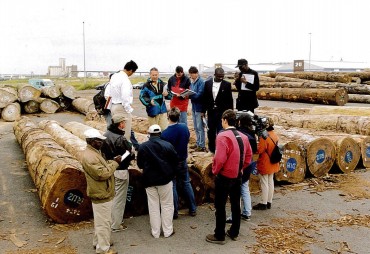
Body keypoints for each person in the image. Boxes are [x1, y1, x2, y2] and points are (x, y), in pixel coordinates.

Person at [206, 109, 252, 245]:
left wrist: (215, 170)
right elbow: (248, 156)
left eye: (221, 120)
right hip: (238, 175)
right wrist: (241, 167)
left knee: (220, 206)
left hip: (224, 176)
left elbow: (219, 158)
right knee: (235, 205)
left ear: (225, 120)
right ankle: (234, 232)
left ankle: (219, 234)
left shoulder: (222, 136)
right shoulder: (243, 136)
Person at [80, 129, 120, 254]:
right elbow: (102, 173)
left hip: (101, 191)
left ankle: (98, 242)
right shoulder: (90, 156)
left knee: (100, 220)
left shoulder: (94, 152)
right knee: (104, 223)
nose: (102, 142)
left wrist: (110, 162)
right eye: (99, 141)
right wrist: (115, 163)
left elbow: (102, 166)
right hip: (101, 193)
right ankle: (103, 249)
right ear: (91, 142)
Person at [137, 124, 178, 238]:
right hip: (165, 180)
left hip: (149, 181)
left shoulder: (143, 147)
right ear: (160, 134)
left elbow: (140, 164)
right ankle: (167, 231)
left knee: (153, 206)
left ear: (149, 134)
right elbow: (175, 161)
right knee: (167, 205)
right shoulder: (168, 145)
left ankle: (155, 232)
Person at [101, 114, 135, 233]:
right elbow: (129, 155)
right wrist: (131, 153)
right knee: (119, 199)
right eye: (124, 122)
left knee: (112, 196)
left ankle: (110, 220)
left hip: (109, 169)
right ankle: (116, 224)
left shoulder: (105, 135)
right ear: (120, 124)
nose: (125, 124)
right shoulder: (121, 139)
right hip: (120, 171)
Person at [161, 107, 197, 219]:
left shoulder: (165, 134)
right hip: (182, 160)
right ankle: (193, 208)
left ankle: (175, 211)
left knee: (173, 186)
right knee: (186, 183)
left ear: (168, 117)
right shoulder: (184, 127)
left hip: (171, 163)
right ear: (179, 117)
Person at [226, 113, 257, 223]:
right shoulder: (252, 134)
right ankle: (247, 212)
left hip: (240, 164)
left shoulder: (240, 134)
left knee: (236, 192)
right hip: (249, 164)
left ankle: (235, 215)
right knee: (245, 188)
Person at [201, 67, 233, 154]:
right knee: (211, 131)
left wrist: (230, 113)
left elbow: (230, 100)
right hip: (211, 112)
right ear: (214, 75)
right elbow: (205, 98)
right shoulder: (207, 83)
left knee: (221, 131)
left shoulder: (227, 84)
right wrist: (203, 111)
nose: (221, 78)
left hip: (222, 113)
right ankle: (212, 149)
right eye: (219, 76)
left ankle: (221, 150)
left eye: (222, 76)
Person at [107, 60, 138, 142]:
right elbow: (125, 96)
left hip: (113, 106)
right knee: (126, 134)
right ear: (131, 70)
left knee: (116, 131)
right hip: (122, 107)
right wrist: (128, 109)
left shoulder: (114, 76)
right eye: (133, 72)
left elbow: (109, 93)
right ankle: (125, 152)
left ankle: (115, 150)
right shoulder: (125, 80)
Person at [253, 117, 280, 210]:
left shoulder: (264, 136)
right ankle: (269, 201)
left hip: (265, 162)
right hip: (273, 161)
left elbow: (260, 150)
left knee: (264, 182)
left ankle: (263, 202)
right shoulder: (275, 135)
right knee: (270, 181)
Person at [188, 66, 206, 152]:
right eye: (190, 74)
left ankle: (202, 145)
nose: (191, 76)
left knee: (200, 127)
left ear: (196, 73)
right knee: (195, 126)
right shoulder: (192, 82)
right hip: (194, 107)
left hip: (199, 107)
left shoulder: (201, 82)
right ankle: (198, 142)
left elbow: (200, 95)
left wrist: (190, 96)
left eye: (192, 74)